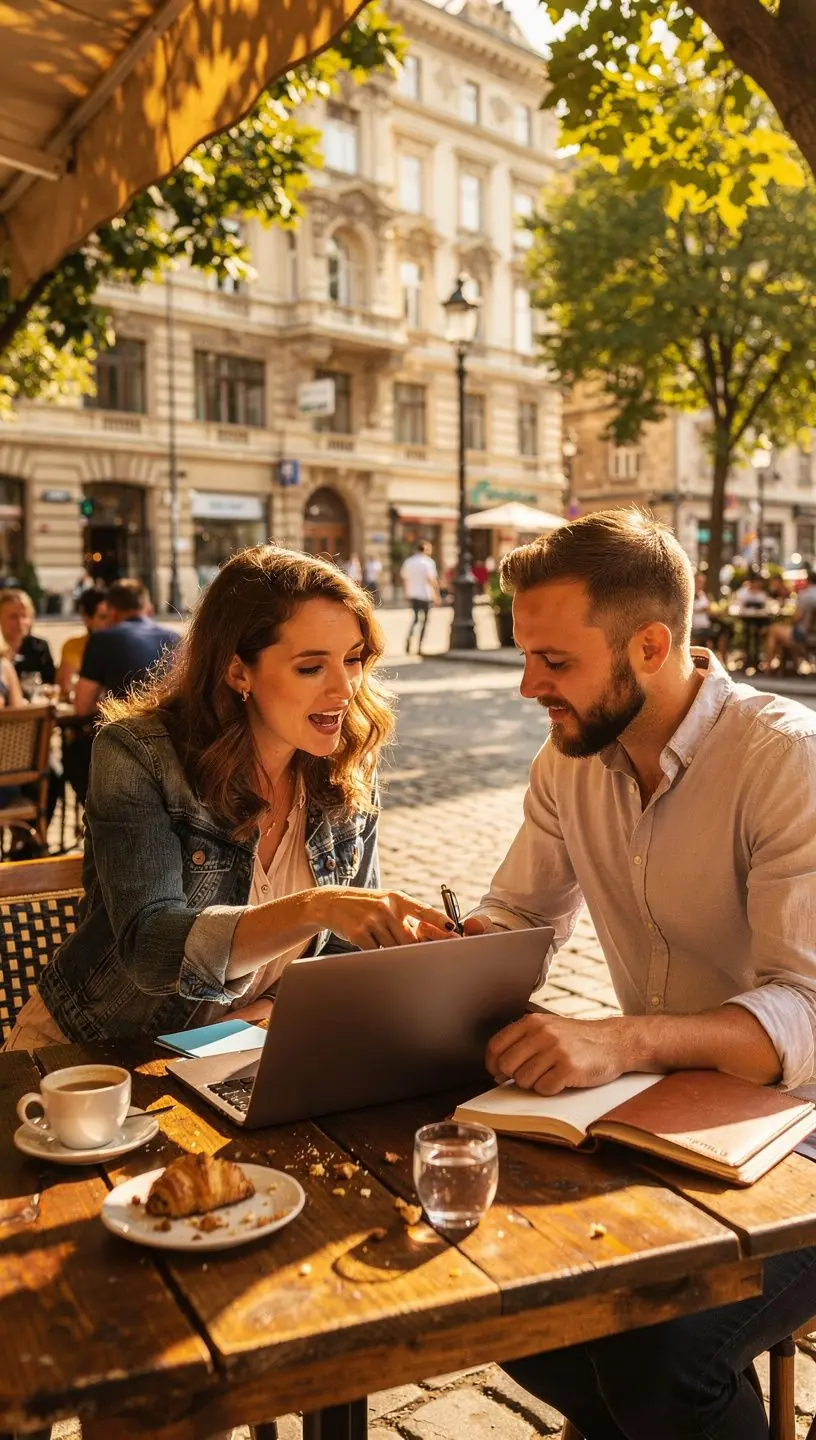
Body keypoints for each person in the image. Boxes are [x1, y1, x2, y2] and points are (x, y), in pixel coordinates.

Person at [462, 510, 816, 1440]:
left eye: (555, 660)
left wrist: (621, 1042)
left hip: (807, 1125)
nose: (529, 685)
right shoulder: (567, 759)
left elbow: (807, 1013)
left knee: (658, 1355)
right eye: (525, 655)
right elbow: (520, 916)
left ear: (650, 646)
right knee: (496, 1288)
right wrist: (451, 948)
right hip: (665, 1115)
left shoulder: (787, 757)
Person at [5, 545, 452, 1053]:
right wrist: (317, 907)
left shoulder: (347, 767)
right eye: (311, 667)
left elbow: (343, 953)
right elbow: (151, 949)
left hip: (239, 1048)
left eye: (353, 660)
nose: (345, 689)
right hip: (97, 1056)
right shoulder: (137, 756)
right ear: (238, 671)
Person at [62, 578, 179, 806]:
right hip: (173, 742)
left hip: (124, 742)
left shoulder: (102, 639)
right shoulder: (175, 638)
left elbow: (82, 706)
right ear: (147, 607)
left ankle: (91, 812)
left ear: (112, 612)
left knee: (73, 751)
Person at [56, 588, 109, 697]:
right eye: (103, 617)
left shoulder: (125, 645)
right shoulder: (74, 646)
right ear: (87, 619)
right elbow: (66, 686)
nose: (111, 622)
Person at [0, 588, 55, 691]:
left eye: (24, 616)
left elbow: (51, 683)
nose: (20, 622)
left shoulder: (39, 647)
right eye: (13, 617)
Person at [764, 567, 816, 670]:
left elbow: (797, 617)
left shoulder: (806, 595)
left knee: (773, 630)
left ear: (807, 580)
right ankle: (792, 666)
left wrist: (791, 620)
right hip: (811, 632)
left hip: (803, 634)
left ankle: (768, 667)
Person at [401, 541, 440, 655]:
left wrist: (407, 593)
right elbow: (431, 579)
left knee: (415, 619)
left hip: (413, 594)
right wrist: (436, 594)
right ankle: (419, 645)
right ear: (426, 550)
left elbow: (405, 579)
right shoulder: (428, 562)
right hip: (425, 595)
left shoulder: (409, 562)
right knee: (425, 620)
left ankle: (409, 638)